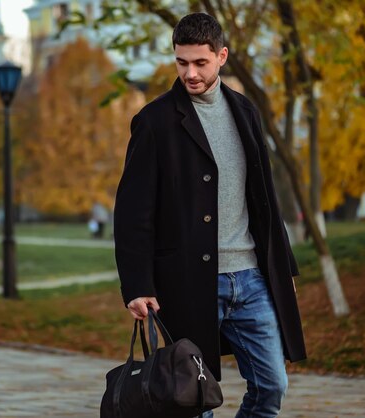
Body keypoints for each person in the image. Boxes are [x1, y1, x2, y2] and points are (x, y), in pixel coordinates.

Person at [113, 13, 306, 418]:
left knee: (272, 386)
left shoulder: (245, 111)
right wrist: (136, 284)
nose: (190, 73)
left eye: (200, 63)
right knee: (192, 400)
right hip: (188, 281)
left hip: (251, 279)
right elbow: (133, 213)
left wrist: (282, 268)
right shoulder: (154, 121)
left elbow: (264, 198)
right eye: (182, 62)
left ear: (222, 56)